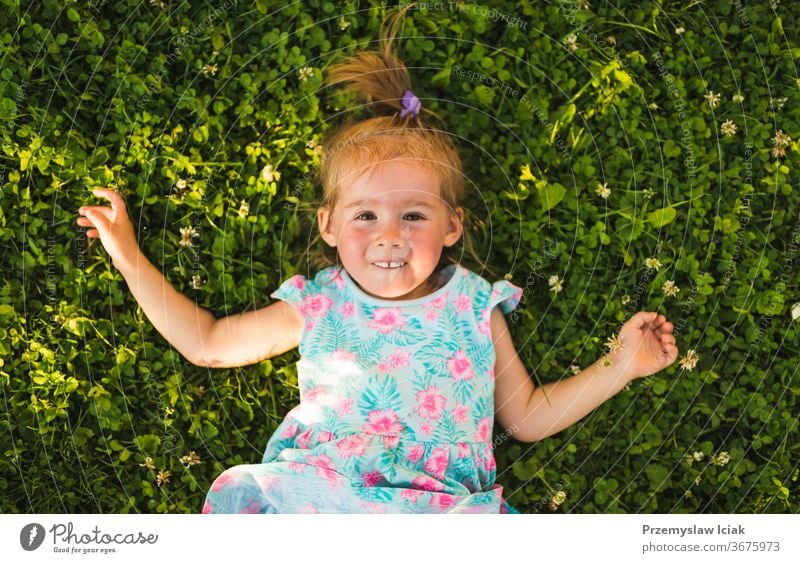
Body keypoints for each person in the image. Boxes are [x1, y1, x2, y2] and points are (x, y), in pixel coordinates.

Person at [76, 9, 679, 514]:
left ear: (452, 227)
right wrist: (128, 256)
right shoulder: (318, 304)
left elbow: (525, 416)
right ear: (329, 227)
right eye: (366, 216)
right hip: (322, 497)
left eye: (413, 216)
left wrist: (621, 364)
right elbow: (208, 343)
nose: (389, 236)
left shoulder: (475, 306)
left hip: (440, 514)